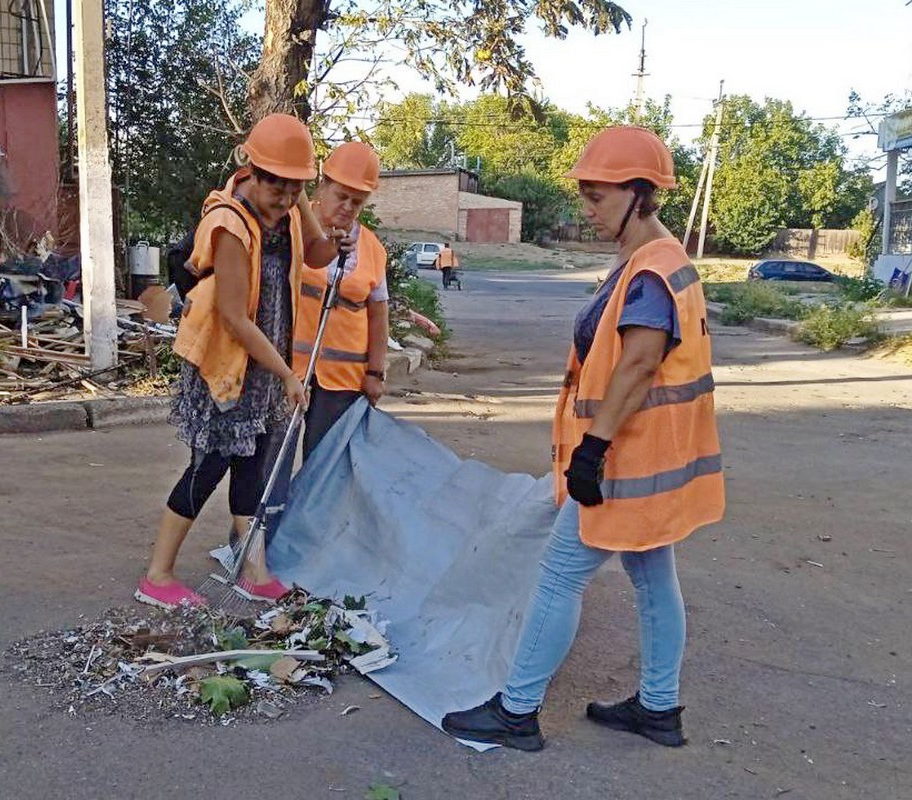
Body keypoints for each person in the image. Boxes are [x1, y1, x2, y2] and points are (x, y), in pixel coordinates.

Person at [441, 126, 725, 751]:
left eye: (597, 196)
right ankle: (658, 707)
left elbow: (639, 364)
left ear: (640, 194)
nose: (587, 209)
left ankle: (516, 713)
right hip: (652, 459)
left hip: (624, 459)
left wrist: (592, 450)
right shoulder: (657, 263)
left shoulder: (651, 271)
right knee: (653, 576)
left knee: (560, 576)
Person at [135, 114, 342, 610]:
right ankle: (158, 576)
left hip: (265, 368)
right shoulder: (228, 223)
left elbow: (318, 255)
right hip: (225, 366)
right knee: (209, 467)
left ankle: (254, 569)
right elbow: (233, 318)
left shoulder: (291, 211)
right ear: (251, 170)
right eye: (279, 188)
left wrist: (335, 232)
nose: (288, 199)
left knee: (252, 467)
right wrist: (289, 374)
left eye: (297, 188)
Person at [293, 141, 390, 456]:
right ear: (323, 185)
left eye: (357, 201)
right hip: (287, 371)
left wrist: (375, 372)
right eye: (342, 196)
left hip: (343, 380)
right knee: (268, 464)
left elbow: (378, 315)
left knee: (324, 465)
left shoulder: (373, 249)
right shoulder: (291, 225)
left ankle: (316, 509)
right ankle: (272, 509)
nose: (348, 207)